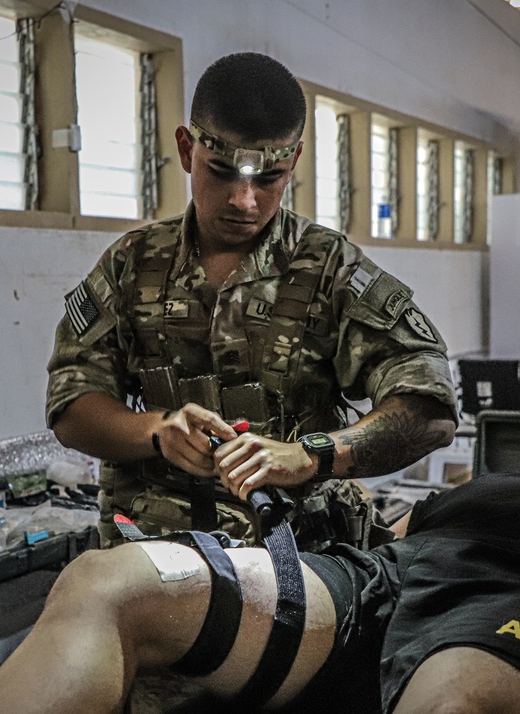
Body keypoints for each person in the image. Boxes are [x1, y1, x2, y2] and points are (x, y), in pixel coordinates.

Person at [45, 51, 458, 552]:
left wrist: (312, 456)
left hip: (299, 566)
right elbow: (71, 402)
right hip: (153, 559)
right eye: (220, 171)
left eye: (269, 178)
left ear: (295, 161)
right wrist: (157, 431)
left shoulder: (330, 270)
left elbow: (430, 409)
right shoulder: (132, 265)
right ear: (185, 147)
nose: (245, 201)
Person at [0, 464, 520, 714]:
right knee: (113, 581)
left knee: (454, 704)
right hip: (394, 568)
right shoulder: (501, 483)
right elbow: (397, 529)